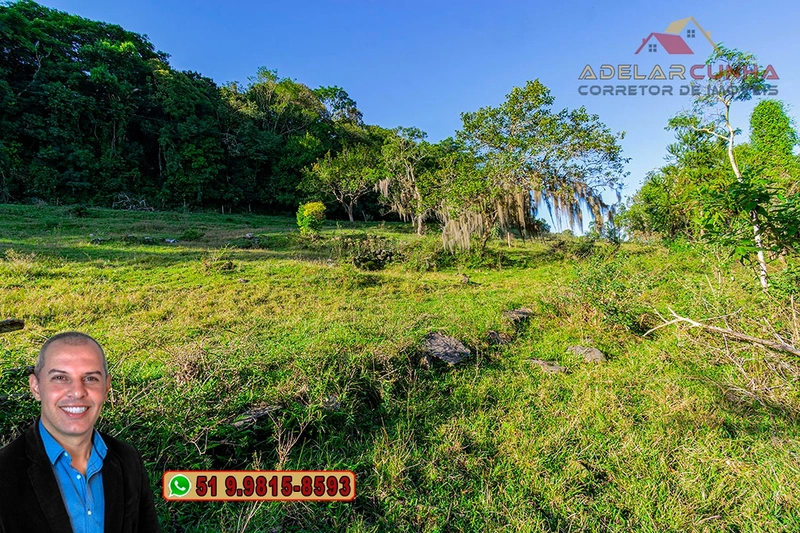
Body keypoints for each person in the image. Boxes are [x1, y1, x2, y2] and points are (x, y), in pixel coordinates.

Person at [0, 332, 161, 533]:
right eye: (60, 378)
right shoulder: (4, 471)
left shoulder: (128, 460)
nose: (77, 392)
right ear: (36, 387)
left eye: (90, 378)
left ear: (106, 386)